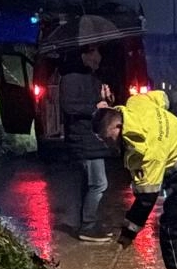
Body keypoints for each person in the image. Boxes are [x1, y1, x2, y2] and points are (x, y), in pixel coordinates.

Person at [91, 90, 177, 269]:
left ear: (118, 126)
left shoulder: (146, 151)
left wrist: (129, 232)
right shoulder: (136, 102)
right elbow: (165, 98)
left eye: (108, 138)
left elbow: (147, 199)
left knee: (171, 229)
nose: (107, 144)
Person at [59, 44, 115, 242]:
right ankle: (88, 226)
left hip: (93, 138)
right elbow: (69, 106)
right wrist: (94, 106)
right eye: (94, 52)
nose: (98, 56)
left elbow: (100, 106)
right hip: (83, 138)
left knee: (91, 184)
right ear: (83, 54)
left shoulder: (93, 77)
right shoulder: (70, 78)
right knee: (99, 183)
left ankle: (88, 223)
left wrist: (106, 98)